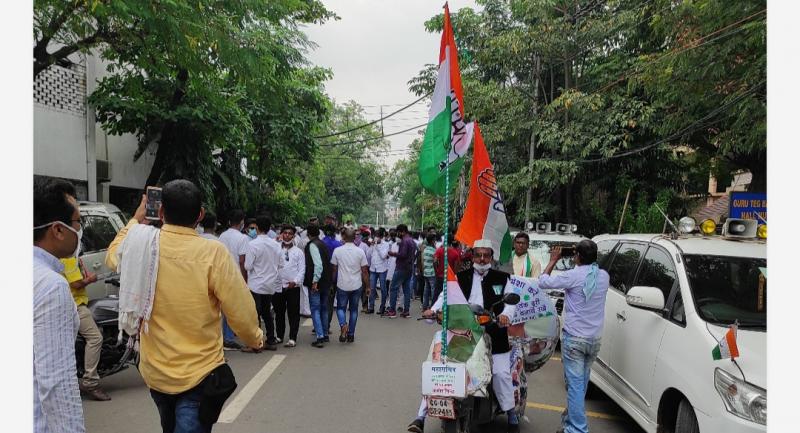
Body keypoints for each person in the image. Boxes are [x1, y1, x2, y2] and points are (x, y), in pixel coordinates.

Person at [106, 180, 264, 433]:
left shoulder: (143, 247)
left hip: (155, 373)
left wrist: (136, 220)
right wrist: (255, 339)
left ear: (159, 212)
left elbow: (113, 255)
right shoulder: (213, 252)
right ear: (200, 214)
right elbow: (241, 310)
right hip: (199, 374)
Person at [411, 240, 519, 433]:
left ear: (491, 257)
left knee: (501, 374)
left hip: (494, 335)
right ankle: (420, 417)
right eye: (478, 255)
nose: (482, 259)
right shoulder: (459, 277)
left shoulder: (502, 278)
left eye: (486, 255)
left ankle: (512, 417)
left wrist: (505, 316)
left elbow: (511, 302)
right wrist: (432, 310)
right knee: (440, 371)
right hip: (463, 333)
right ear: (473, 256)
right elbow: (445, 297)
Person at [538, 241, 609, 433]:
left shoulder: (572, 275)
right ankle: (570, 421)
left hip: (575, 340)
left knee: (576, 386)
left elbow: (542, 282)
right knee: (580, 384)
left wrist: (553, 260)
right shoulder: (603, 276)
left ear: (577, 256)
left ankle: (577, 429)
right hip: (594, 340)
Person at [33, 178, 86, 433]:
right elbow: (57, 384)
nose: (80, 230)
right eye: (78, 222)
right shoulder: (51, 285)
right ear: (57, 230)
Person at [60, 256, 111, 401]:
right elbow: (76, 283)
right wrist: (91, 279)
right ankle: (90, 382)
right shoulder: (68, 258)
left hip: (67, 304)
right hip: (75, 305)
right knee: (95, 338)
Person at [244, 215, 281, 351]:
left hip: (256, 284)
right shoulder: (276, 245)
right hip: (269, 284)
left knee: (255, 314)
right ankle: (271, 340)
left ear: (257, 228)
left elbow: (248, 266)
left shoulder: (253, 244)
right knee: (267, 312)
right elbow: (280, 264)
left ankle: (256, 343)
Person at [217, 209, 250, 350]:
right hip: (235, 276)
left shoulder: (222, 236)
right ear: (242, 222)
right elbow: (242, 261)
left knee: (222, 308)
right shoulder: (242, 238)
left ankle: (224, 335)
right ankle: (229, 338)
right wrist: (244, 279)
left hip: (221, 274)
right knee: (232, 308)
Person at [330, 228, 370, 343]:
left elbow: (334, 270)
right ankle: (351, 334)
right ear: (355, 238)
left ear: (343, 237)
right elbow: (365, 271)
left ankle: (343, 325)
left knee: (340, 308)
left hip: (342, 284)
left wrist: (332, 284)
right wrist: (368, 286)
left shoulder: (337, 251)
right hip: (356, 285)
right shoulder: (360, 252)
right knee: (353, 310)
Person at [274, 225, 305, 347]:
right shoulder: (276, 249)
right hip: (278, 285)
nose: (287, 235)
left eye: (290, 233)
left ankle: (292, 338)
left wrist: (295, 281)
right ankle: (279, 336)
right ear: (281, 234)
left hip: (293, 286)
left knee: (293, 313)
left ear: (294, 236)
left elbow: (302, 269)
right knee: (279, 313)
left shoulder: (298, 252)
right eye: (285, 233)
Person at [304, 225, 332, 347]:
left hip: (317, 282)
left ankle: (319, 336)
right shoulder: (323, 244)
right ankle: (325, 334)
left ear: (308, 234)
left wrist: (315, 281)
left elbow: (318, 265)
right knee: (324, 308)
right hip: (326, 282)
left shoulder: (312, 245)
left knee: (315, 309)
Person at [386, 224, 416, 318]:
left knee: (393, 288)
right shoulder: (412, 241)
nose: (398, 234)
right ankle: (406, 311)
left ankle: (392, 311)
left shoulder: (404, 241)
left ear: (402, 231)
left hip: (401, 267)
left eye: (398, 232)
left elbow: (402, 254)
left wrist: (393, 253)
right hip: (409, 267)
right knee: (406, 289)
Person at [322, 224, 343, 332]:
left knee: (319, 302)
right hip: (334, 277)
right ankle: (326, 326)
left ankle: (319, 325)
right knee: (329, 303)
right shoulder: (338, 244)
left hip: (321, 276)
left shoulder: (320, 243)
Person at [367, 228, 390, 314]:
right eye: (375, 236)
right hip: (373, 268)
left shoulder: (386, 244)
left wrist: (377, 246)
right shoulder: (373, 244)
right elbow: (368, 255)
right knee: (372, 288)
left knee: (383, 289)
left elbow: (383, 256)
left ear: (381, 237)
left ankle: (382, 307)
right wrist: (371, 246)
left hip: (382, 269)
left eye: (377, 236)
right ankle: (371, 306)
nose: (376, 238)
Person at [433, 235, 462, 302]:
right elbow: (457, 265)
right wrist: (454, 273)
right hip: (450, 277)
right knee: (449, 296)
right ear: (452, 242)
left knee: (437, 294)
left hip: (440, 276)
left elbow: (434, 261)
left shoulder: (439, 250)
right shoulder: (455, 253)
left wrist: (436, 271)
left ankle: (434, 309)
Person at [420, 233, 437, 310]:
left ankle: (424, 306)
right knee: (433, 290)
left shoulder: (425, 250)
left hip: (425, 272)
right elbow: (435, 262)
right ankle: (433, 306)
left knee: (426, 290)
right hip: (432, 273)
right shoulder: (434, 251)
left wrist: (423, 271)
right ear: (433, 241)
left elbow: (422, 261)